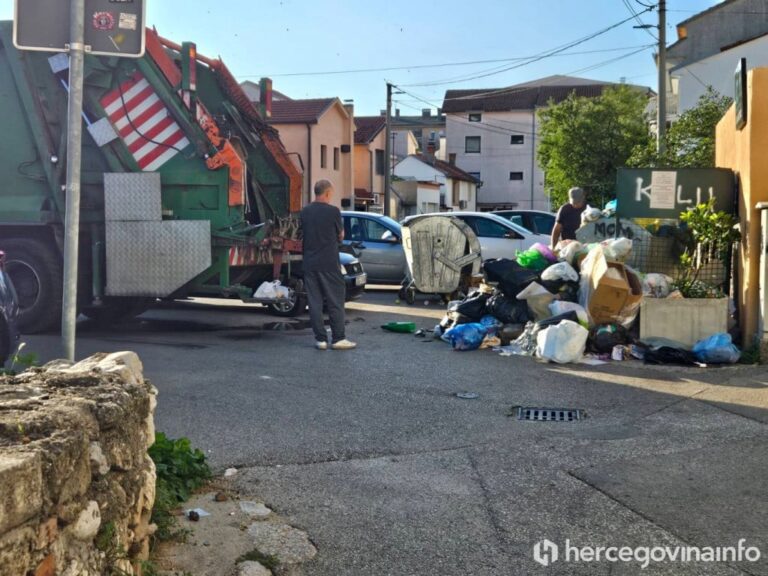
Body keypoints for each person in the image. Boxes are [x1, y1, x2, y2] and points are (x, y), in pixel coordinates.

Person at [300, 180, 356, 350]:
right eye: (331, 193)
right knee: (335, 300)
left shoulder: (305, 211)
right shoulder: (333, 212)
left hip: (310, 263)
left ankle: (321, 340)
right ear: (327, 193)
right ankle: (338, 338)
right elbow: (340, 236)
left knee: (315, 302)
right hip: (329, 262)